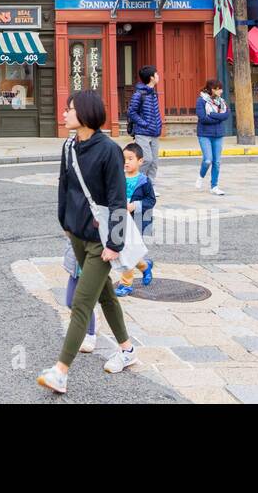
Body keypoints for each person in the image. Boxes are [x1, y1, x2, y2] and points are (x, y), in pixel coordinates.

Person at [36, 90, 137, 394]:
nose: (64, 114)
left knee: (82, 301)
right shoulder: (69, 146)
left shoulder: (108, 150)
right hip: (78, 235)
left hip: (101, 242)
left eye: (69, 109)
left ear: (85, 113)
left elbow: (118, 200)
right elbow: (65, 187)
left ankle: (61, 371)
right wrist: (65, 224)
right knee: (105, 295)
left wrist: (115, 244)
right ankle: (128, 350)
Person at [113, 142, 156, 297]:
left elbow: (151, 201)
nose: (126, 162)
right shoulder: (117, 178)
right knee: (127, 250)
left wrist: (134, 206)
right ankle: (145, 266)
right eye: (123, 159)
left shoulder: (144, 181)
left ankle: (126, 284)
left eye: (130, 158)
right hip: (119, 219)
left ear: (140, 161)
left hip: (137, 220)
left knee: (128, 250)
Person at [126, 65, 163, 184]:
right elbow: (131, 112)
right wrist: (144, 123)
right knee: (146, 159)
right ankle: (136, 182)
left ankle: (149, 186)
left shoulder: (153, 93)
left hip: (154, 132)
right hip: (142, 132)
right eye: (156, 74)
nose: (158, 76)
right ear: (151, 78)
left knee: (154, 162)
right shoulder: (139, 94)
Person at [194, 79, 230, 195]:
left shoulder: (222, 102)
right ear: (211, 89)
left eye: (220, 88)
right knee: (208, 159)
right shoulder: (201, 101)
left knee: (217, 162)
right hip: (204, 134)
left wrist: (213, 115)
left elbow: (226, 115)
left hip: (218, 134)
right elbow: (203, 118)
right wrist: (219, 117)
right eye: (218, 88)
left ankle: (214, 186)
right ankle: (201, 176)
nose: (220, 91)